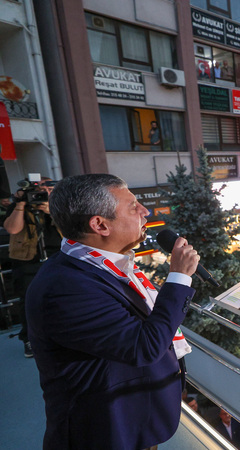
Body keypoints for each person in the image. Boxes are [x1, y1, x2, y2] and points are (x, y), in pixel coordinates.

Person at [26, 174, 199, 449]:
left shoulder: (98, 266)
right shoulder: (65, 288)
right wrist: (178, 278)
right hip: (105, 433)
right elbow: (144, 346)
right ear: (99, 224)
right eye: (133, 207)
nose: (145, 212)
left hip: (134, 421)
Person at [3, 176, 60, 357]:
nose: (43, 193)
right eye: (39, 190)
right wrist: (20, 204)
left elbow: (70, 230)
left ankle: (58, 335)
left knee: (59, 297)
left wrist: (52, 211)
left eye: (48, 190)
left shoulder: (59, 207)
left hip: (55, 257)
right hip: (27, 260)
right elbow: (12, 229)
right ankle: (29, 338)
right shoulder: (19, 207)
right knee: (28, 300)